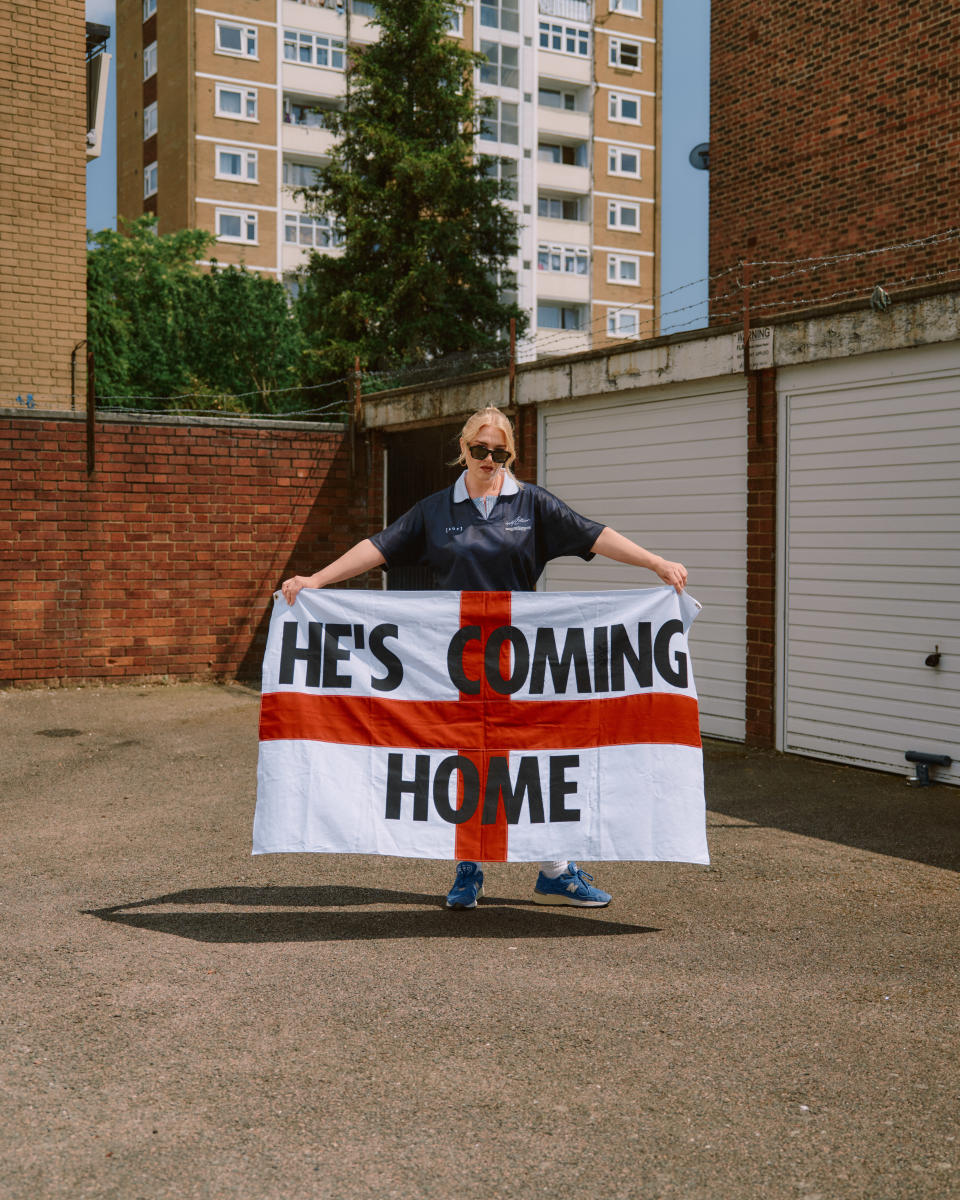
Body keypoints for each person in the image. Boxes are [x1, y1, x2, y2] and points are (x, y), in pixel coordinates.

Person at [281, 405, 687, 911]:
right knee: (467, 759)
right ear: (463, 450)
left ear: (511, 454)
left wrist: (655, 562)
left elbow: (593, 534)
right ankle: (469, 868)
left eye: (499, 452)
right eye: (479, 449)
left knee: (534, 759)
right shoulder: (436, 510)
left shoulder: (532, 504)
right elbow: (378, 547)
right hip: (456, 666)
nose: (489, 459)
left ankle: (555, 870)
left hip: (523, 661)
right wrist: (314, 581)